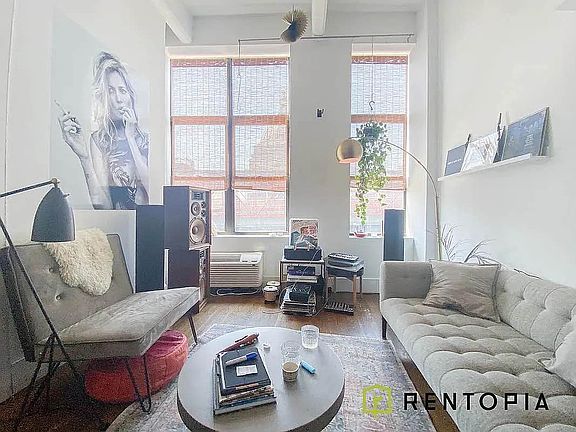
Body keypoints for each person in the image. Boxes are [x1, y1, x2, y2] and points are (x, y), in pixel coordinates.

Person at [57, 51, 149, 209]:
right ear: (104, 97)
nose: (118, 99)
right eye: (111, 91)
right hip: (116, 222)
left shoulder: (144, 139)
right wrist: (84, 158)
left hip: (147, 220)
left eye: (122, 90)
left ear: (130, 96)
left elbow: (151, 190)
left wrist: (131, 138)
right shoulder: (99, 140)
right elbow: (103, 207)